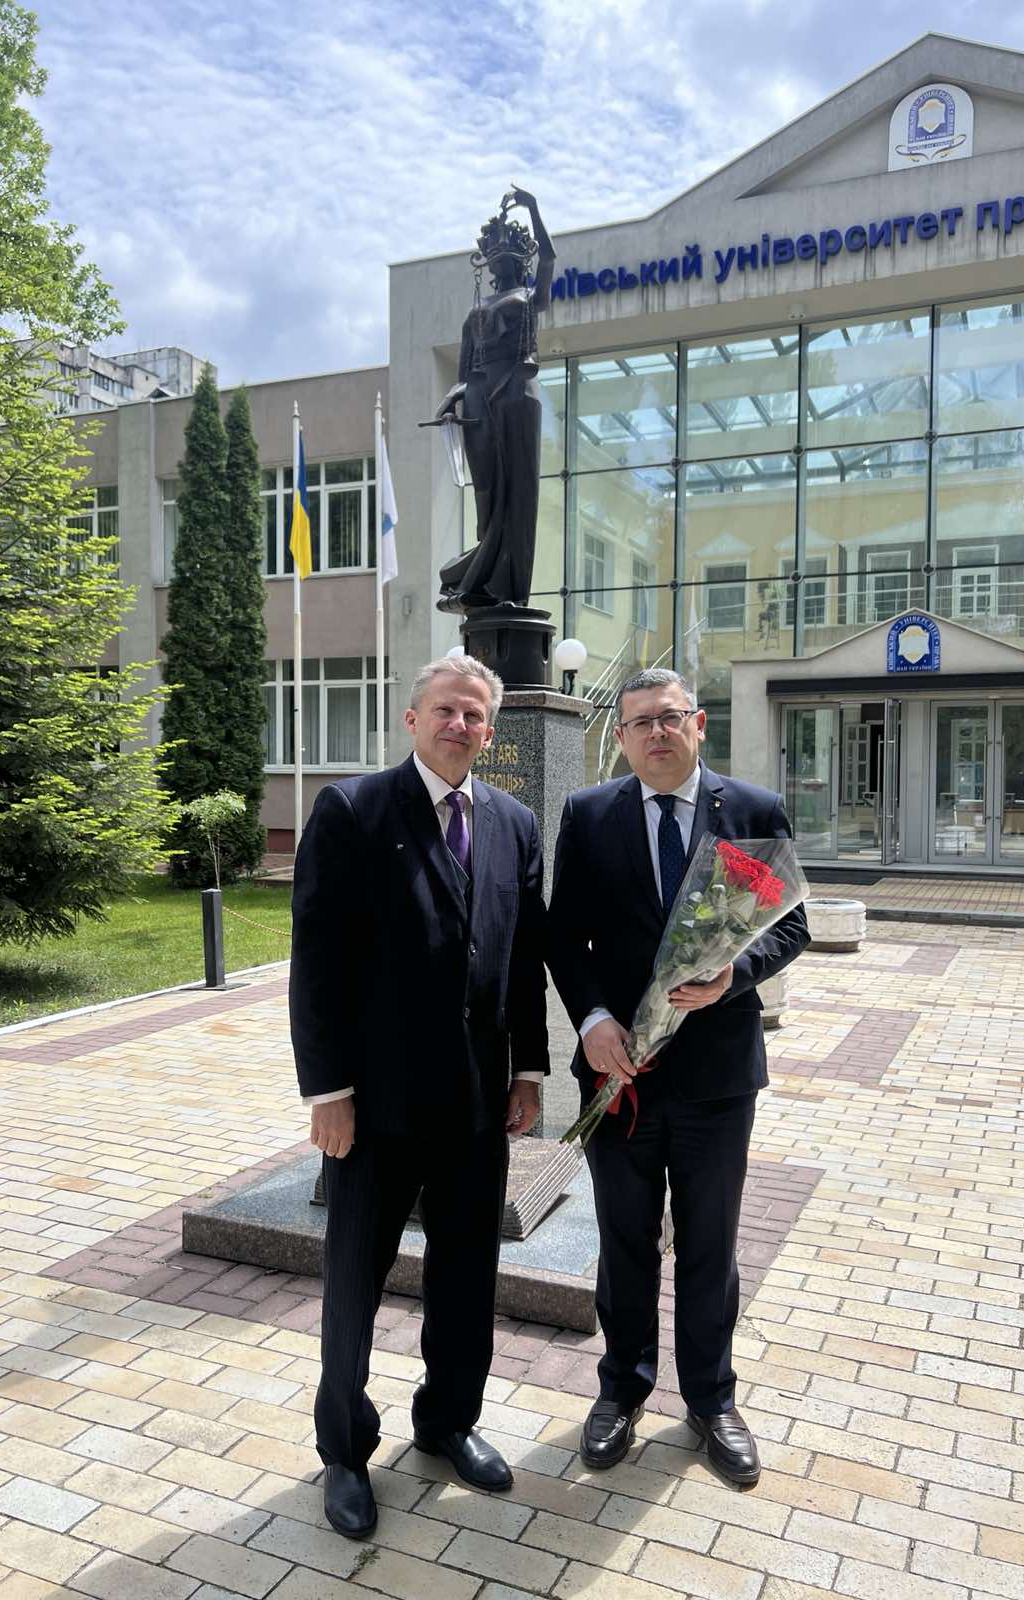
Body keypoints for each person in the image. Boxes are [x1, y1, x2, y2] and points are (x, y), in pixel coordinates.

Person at [289, 655, 548, 1539]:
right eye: (445, 710)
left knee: (467, 1275)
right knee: (353, 1283)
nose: (459, 725)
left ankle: (447, 1421)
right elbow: (317, 962)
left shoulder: (514, 823)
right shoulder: (353, 810)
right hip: (375, 1107)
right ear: (412, 719)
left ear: (490, 730)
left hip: (478, 1106)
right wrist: (327, 1090)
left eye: (474, 715)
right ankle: (344, 1451)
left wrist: (528, 1070)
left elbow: (523, 958)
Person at [547, 667, 809, 1487]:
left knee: (709, 1242)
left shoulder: (753, 811)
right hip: (620, 1072)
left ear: (697, 724)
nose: (656, 734)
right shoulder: (590, 814)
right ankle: (621, 1390)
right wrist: (592, 1021)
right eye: (640, 723)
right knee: (624, 1241)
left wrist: (735, 975)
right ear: (622, 737)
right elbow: (564, 936)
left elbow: (790, 922)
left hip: (716, 1075)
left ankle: (711, 1400)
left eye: (669, 718)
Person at [434, 185, 555, 612]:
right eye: (495, 255)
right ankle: (480, 578)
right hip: (480, 397)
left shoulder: (528, 298)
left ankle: (509, 586)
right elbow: (465, 369)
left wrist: (533, 208)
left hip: (517, 391)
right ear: (488, 262)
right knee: (486, 490)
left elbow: (549, 260)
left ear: (519, 260)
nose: (501, 260)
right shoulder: (477, 309)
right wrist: (454, 398)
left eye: (508, 255)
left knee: (517, 489)